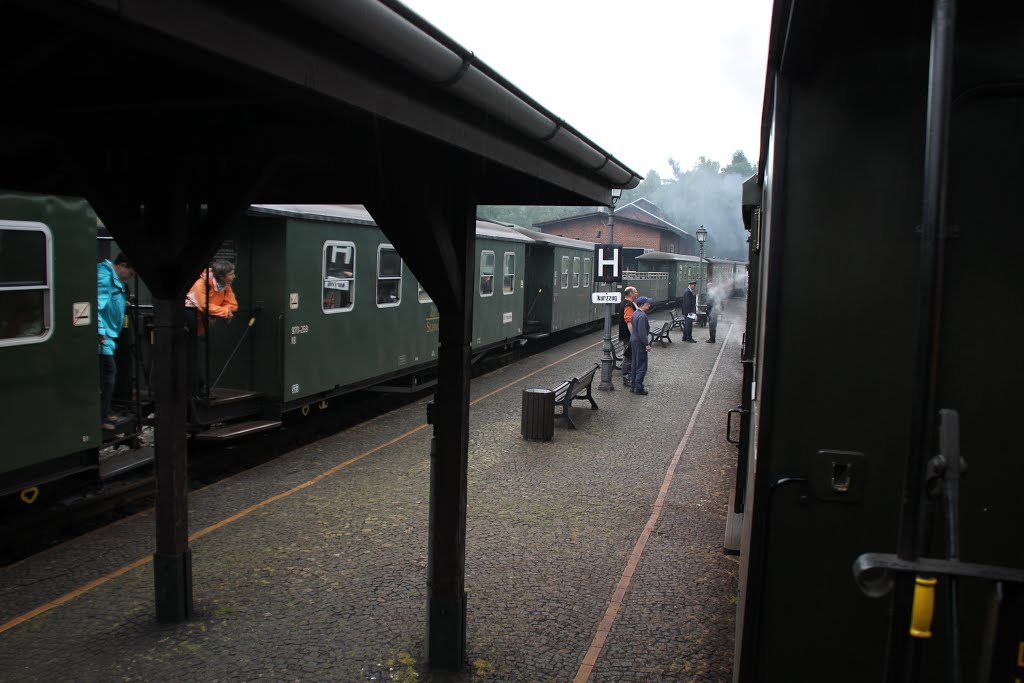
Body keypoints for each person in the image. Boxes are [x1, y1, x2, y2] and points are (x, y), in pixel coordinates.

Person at [98, 253, 134, 430]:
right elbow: (96, 306)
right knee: (108, 374)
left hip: (109, 335)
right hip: (102, 336)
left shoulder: (112, 279)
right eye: (131, 273)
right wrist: (99, 332)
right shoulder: (104, 277)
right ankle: (100, 418)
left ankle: (105, 411)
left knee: (107, 375)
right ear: (123, 265)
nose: (130, 277)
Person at [186, 259, 239, 335]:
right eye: (231, 274)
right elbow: (204, 306)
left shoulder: (226, 285)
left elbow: (233, 305)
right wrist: (225, 312)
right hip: (190, 320)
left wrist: (213, 313)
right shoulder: (200, 284)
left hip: (202, 321)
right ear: (221, 277)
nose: (234, 276)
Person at [629, 296, 653, 395]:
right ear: (642, 305)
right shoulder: (642, 316)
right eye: (647, 304)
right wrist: (646, 344)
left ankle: (633, 385)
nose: (649, 305)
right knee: (642, 365)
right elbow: (642, 333)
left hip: (634, 340)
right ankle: (638, 387)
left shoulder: (635, 313)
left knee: (635, 363)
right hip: (639, 342)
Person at [618, 286, 638, 387]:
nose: (637, 294)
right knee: (628, 356)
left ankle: (629, 375)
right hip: (628, 335)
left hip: (627, 335)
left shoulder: (627, 303)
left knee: (629, 356)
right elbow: (629, 322)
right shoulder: (628, 305)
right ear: (630, 294)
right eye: (635, 292)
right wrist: (634, 335)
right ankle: (626, 377)